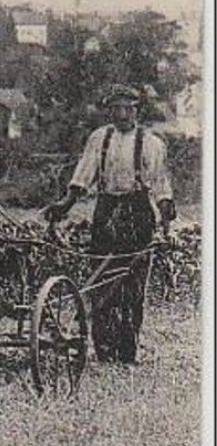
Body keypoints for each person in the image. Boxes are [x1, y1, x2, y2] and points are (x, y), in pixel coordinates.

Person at [44, 84, 176, 363]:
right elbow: (82, 178)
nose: (121, 114)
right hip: (106, 211)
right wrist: (64, 206)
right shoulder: (99, 139)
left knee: (133, 286)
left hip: (137, 213)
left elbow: (161, 185)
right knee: (100, 281)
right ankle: (103, 349)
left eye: (127, 108)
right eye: (116, 109)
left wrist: (166, 217)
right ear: (110, 111)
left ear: (135, 110)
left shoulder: (152, 143)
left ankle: (127, 351)